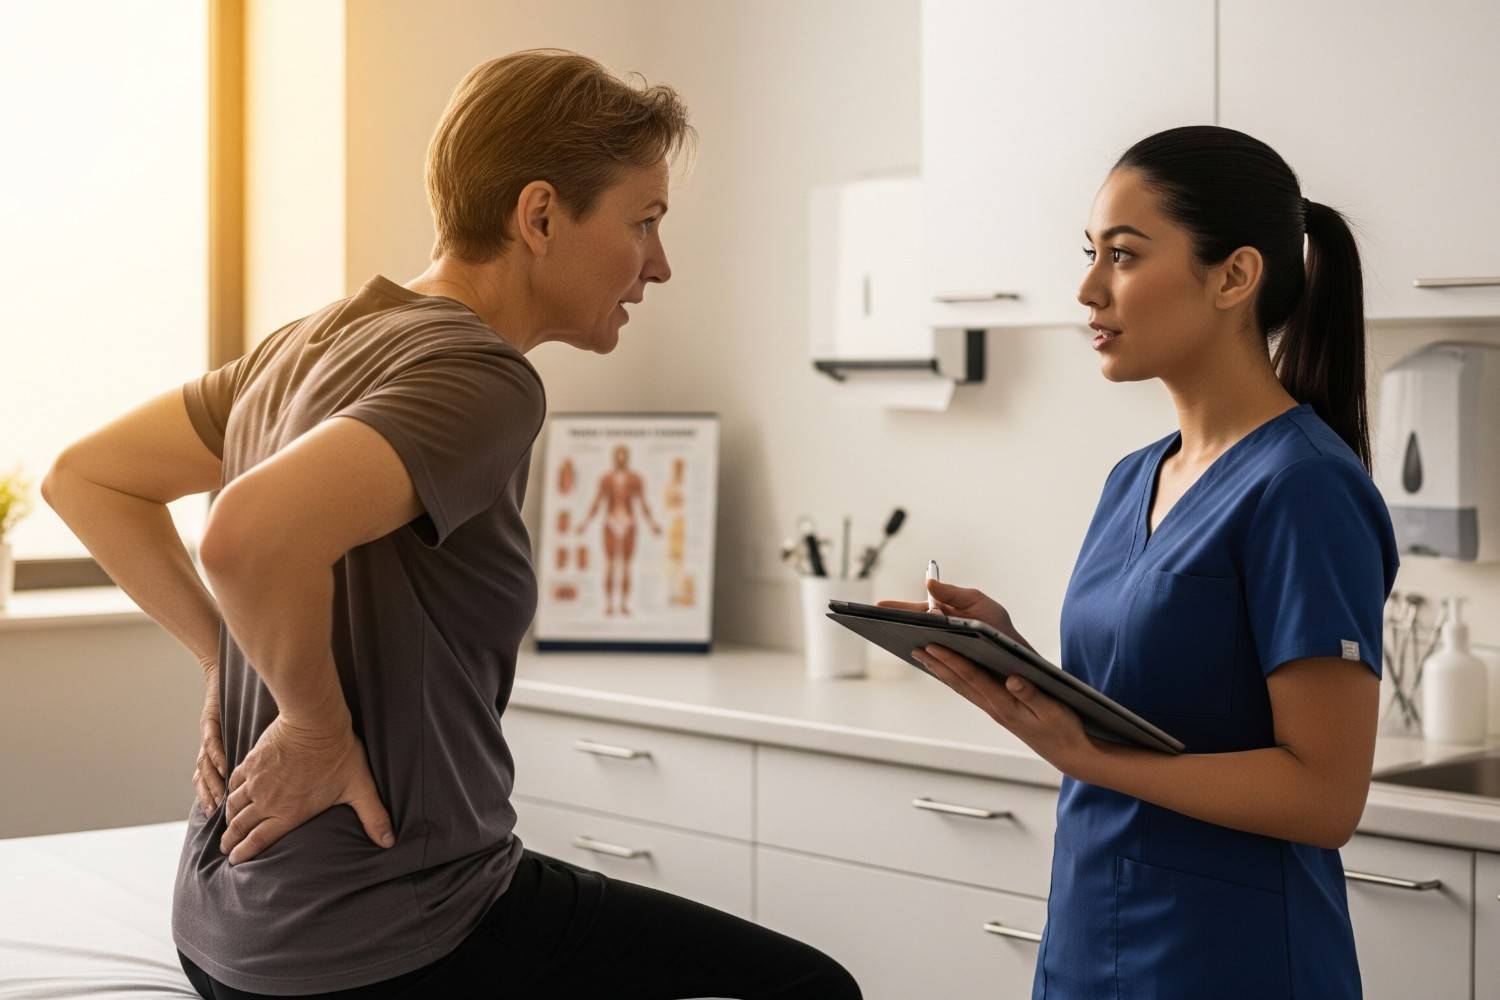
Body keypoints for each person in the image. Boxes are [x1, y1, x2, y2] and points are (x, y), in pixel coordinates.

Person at [42, 49, 859, 1000]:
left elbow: (86, 480)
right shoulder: (484, 377)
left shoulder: (308, 341)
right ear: (541, 215)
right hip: (389, 935)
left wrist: (231, 665)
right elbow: (245, 534)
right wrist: (308, 724)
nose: (661, 265)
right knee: (808, 989)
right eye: (644, 222)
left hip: (227, 930)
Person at [881, 125, 1398, 999]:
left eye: (1122, 255)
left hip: (1228, 961)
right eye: (1090, 254)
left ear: (1234, 276)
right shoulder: (1135, 478)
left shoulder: (1305, 489)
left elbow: (1325, 797)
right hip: (1089, 934)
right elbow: (1143, 703)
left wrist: (1089, 758)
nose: (1087, 290)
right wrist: (1016, 661)